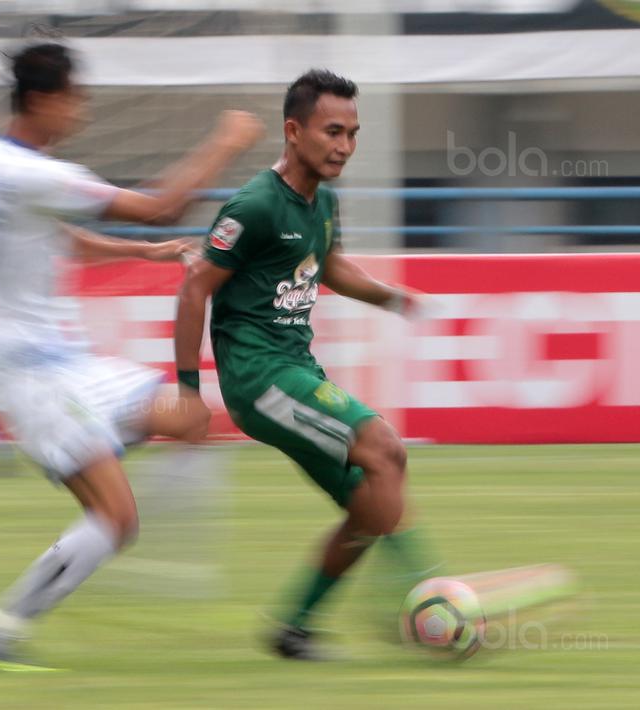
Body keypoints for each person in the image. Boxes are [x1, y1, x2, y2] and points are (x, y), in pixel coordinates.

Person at [0, 42, 263, 670]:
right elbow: (161, 205)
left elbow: (53, 234)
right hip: (29, 373)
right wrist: (228, 142)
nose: (81, 114)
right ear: (42, 100)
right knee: (117, 517)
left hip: (60, 362)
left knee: (189, 416)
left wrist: (137, 254)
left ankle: (144, 557)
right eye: (75, 100)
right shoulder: (30, 173)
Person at [174, 69, 439, 660]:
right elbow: (195, 289)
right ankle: (431, 602)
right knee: (386, 451)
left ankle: (293, 630)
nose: (344, 146)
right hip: (259, 379)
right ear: (294, 132)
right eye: (332, 132)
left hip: (296, 372)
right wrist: (190, 394)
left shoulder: (322, 201)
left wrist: (394, 298)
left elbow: (332, 267)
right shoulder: (256, 205)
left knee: (374, 501)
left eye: (352, 134)